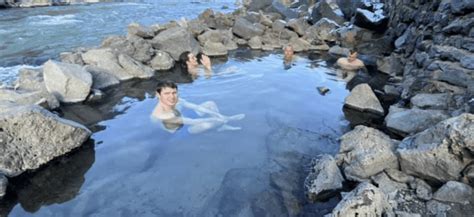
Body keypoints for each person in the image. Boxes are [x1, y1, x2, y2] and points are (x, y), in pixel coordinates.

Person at [151, 80, 245, 134]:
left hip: (184, 117)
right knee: (207, 124)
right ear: (158, 95)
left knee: (210, 103)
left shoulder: (175, 99)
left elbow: (196, 107)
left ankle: (222, 125)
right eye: (166, 93)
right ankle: (223, 123)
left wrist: (215, 114)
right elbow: (193, 122)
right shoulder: (161, 114)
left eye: (174, 92)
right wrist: (223, 118)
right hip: (180, 131)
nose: (171, 96)